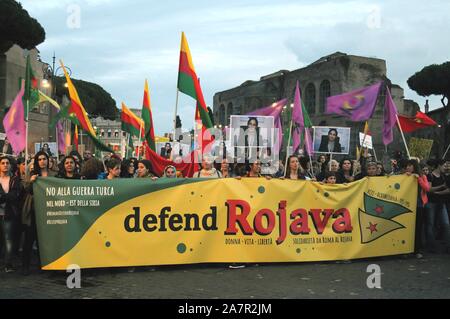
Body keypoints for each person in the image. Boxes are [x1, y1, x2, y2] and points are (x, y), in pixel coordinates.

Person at [22, 151, 56, 275]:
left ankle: (44, 265)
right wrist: (31, 181)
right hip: (34, 212)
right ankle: (25, 266)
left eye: (44, 158)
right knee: (29, 240)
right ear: (37, 161)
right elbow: (26, 190)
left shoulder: (54, 175)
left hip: (50, 212)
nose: (42, 161)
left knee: (45, 241)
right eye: (40, 159)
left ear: (48, 160)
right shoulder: (33, 174)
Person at [0, 156, 22, 272]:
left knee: (8, 239)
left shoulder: (14, 179)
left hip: (8, 214)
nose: (5, 165)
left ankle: (8, 264)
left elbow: (14, 196)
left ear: (10, 165)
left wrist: (2, 197)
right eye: (2, 163)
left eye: (7, 163)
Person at [404, 159, 430, 258]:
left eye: (410, 165)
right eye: (407, 166)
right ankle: (405, 250)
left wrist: (418, 178)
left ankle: (416, 251)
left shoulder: (422, 176)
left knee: (417, 228)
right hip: (407, 206)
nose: (407, 167)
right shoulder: (404, 177)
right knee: (407, 228)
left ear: (414, 167)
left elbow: (427, 188)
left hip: (419, 206)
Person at [425, 159, 450, 252]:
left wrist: (438, 192)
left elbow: (447, 188)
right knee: (430, 224)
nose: (445, 168)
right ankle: (431, 246)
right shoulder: (430, 176)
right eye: (444, 165)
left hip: (441, 203)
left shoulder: (444, 176)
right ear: (439, 165)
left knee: (446, 224)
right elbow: (429, 189)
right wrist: (441, 187)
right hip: (431, 203)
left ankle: (448, 246)